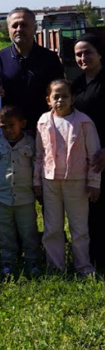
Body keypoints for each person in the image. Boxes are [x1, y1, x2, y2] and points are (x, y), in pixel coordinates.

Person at [34, 79, 101, 274]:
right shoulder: (43, 121)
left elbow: (94, 156)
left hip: (77, 183)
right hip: (50, 182)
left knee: (79, 227)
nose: (60, 100)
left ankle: (83, 266)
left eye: (65, 96)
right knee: (52, 227)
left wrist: (94, 182)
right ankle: (55, 266)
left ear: (72, 99)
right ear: (48, 100)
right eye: (56, 96)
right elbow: (39, 155)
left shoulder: (84, 122)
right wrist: (36, 181)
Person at [0, 105, 41, 275]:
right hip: (2, 198)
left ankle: (33, 263)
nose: (8, 130)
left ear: (22, 124)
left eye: (12, 125)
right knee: (6, 233)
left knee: (29, 232)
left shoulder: (31, 143)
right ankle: (7, 262)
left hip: (25, 199)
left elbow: (37, 167)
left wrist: (38, 187)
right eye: (3, 126)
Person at [0, 7, 64, 129]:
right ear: (8, 30)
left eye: (24, 25)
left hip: (45, 128)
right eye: (15, 26)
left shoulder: (50, 58)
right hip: (12, 132)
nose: (19, 29)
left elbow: (60, 92)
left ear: (35, 28)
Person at [71, 33, 105, 268]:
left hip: (103, 153)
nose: (83, 57)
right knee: (90, 209)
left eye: (88, 52)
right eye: (78, 54)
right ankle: (93, 257)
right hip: (84, 157)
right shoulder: (76, 84)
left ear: (100, 53)